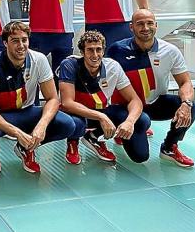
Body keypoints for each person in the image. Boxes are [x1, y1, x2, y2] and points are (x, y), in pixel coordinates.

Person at [0, 21, 82, 175]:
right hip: (0, 116)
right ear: (5, 43)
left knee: (67, 124)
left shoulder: (39, 59)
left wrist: (41, 126)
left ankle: (26, 148)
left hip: (27, 112)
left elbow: (52, 99)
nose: (21, 45)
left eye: (24, 40)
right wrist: (17, 133)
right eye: (15, 41)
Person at [107, 9, 195, 167]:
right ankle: (118, 130)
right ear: (131, 27)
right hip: (126, 107)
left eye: (149, 23)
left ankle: (169, 147)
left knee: (191, 107)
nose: (145, 28)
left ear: (156, 25)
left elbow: (185, 82)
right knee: (140, 157)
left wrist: (186, 104)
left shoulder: (170, 51)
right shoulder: (117, 50)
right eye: (140, 24)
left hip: (154, 103)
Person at [58, 30, 150, 164]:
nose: (95, 55)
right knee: (75, 124)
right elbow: (67, 103)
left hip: (102, 109)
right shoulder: (69, 64)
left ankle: (93, 136)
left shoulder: (113, 67)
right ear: (82, 52)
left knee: (142, 121)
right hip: (78, 113)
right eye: (90, 50)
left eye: (98, 50)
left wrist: (129, 122)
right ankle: (73, 141)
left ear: (103, 51)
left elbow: (134, 100)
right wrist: (102, 117)